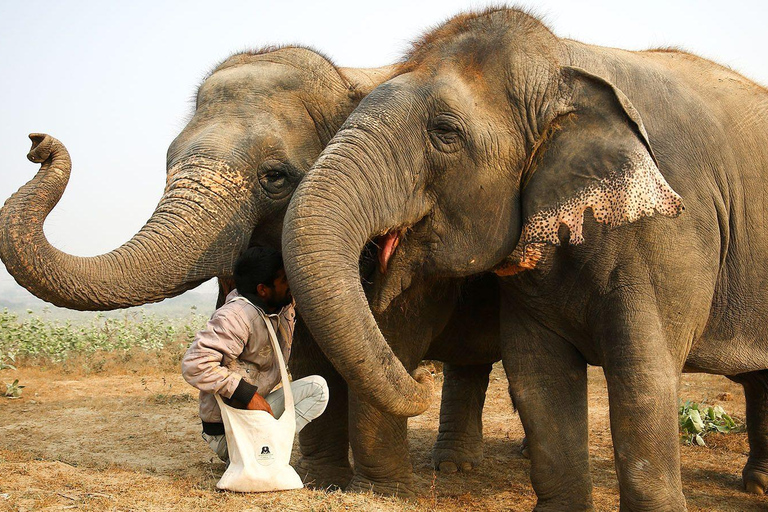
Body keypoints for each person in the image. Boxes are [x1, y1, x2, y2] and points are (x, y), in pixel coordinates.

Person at [182, 246, 328, 462]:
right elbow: (194, 364)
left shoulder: (279, 306)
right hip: (228, 427)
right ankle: (259, 456)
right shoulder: (236, 316)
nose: (291, 285)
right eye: (285, 280)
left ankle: (267, 448)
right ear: (263, 289)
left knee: (318, 390)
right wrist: (247, 395)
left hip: (252, 415)